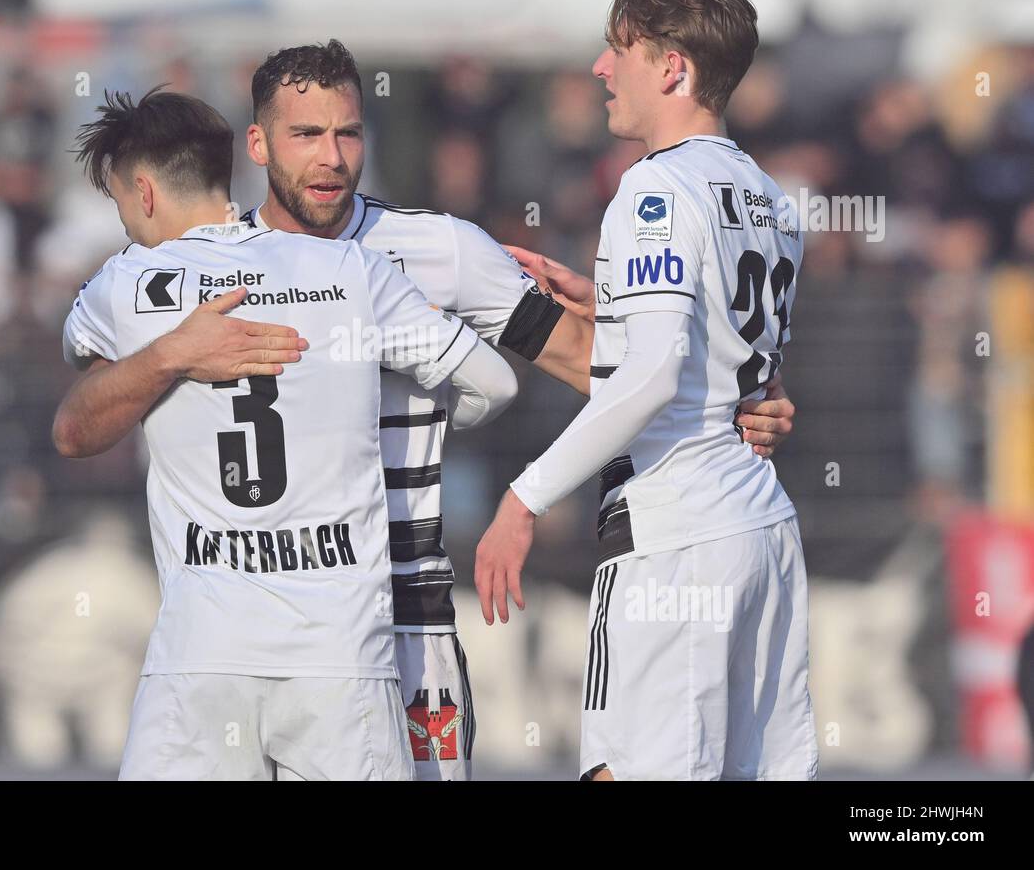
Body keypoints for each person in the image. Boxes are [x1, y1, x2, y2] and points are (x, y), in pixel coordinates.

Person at [57, 40, 799, 780]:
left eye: (348, 133)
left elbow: (594, 363)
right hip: (250, 619)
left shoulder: (440, 249)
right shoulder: (203, 270)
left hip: (405, 615)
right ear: (257, 144)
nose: (331, 158)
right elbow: (85, 415)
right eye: (306, 136)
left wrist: (727, 405)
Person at [54, 87, 517, 780]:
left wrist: (172, 354)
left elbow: (75, 429)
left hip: (201, 659)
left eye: (121, 204)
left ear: (144, 193)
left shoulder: (125, 286)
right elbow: (494, 382)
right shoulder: (348, 270)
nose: (125, 223)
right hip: (341, 661)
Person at [475, 0, 819, 781]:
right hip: (761, 532)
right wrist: (612, 305)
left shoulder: (653, 188)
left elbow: (658, 373)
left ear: (673, 69)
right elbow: (731, 362)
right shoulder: (772, 200)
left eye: (619, 48)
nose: (601, 68)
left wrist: (526, 496)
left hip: (675, 539)